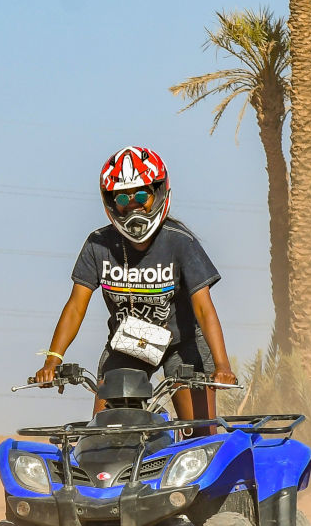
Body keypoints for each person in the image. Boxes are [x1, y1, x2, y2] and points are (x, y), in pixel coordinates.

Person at [33, 146, 236, 423]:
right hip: (128, 343)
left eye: (142, 195)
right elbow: (75, 307)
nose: (133, 205)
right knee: (104, 434)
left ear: (159, 193)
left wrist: (222, 366)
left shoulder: (181, 242)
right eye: (122, 198)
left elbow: (203, 309)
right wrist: (52, 361)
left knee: (199, 434)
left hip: (183, 345)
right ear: (109, 203)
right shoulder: (98, 245)